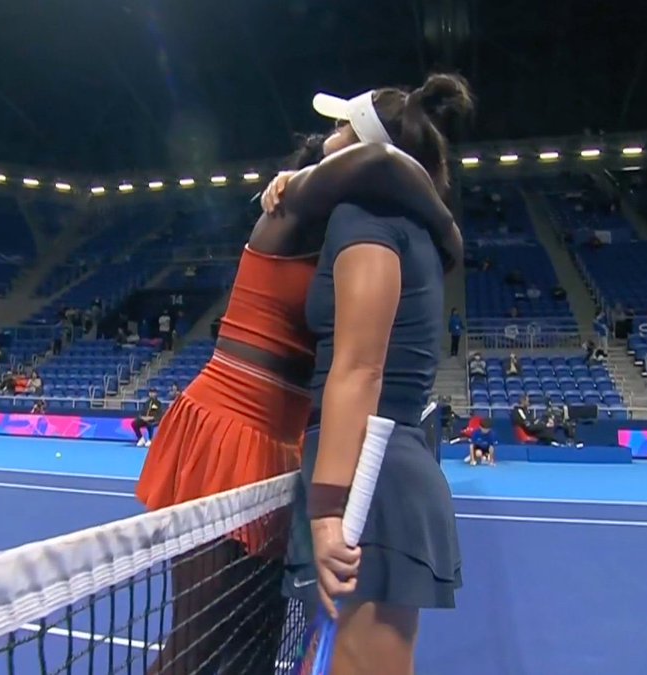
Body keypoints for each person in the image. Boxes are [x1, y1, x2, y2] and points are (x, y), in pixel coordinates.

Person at [135, 75, 464, 675]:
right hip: (230, 433)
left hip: (288, 448)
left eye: (342, 127)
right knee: (201, 650)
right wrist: (448, 228)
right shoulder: (288, 210)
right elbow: (382, 164)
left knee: (252, 648)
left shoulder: (354, 229)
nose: (325, 137)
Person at [279, 75, 472, 675]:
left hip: (367, 484)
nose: (326, 137)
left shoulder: (363, 216)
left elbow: (359, 368)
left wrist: (329, 509)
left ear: (365, 144)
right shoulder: (393, 220)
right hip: (371, 470)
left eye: (340, 128)